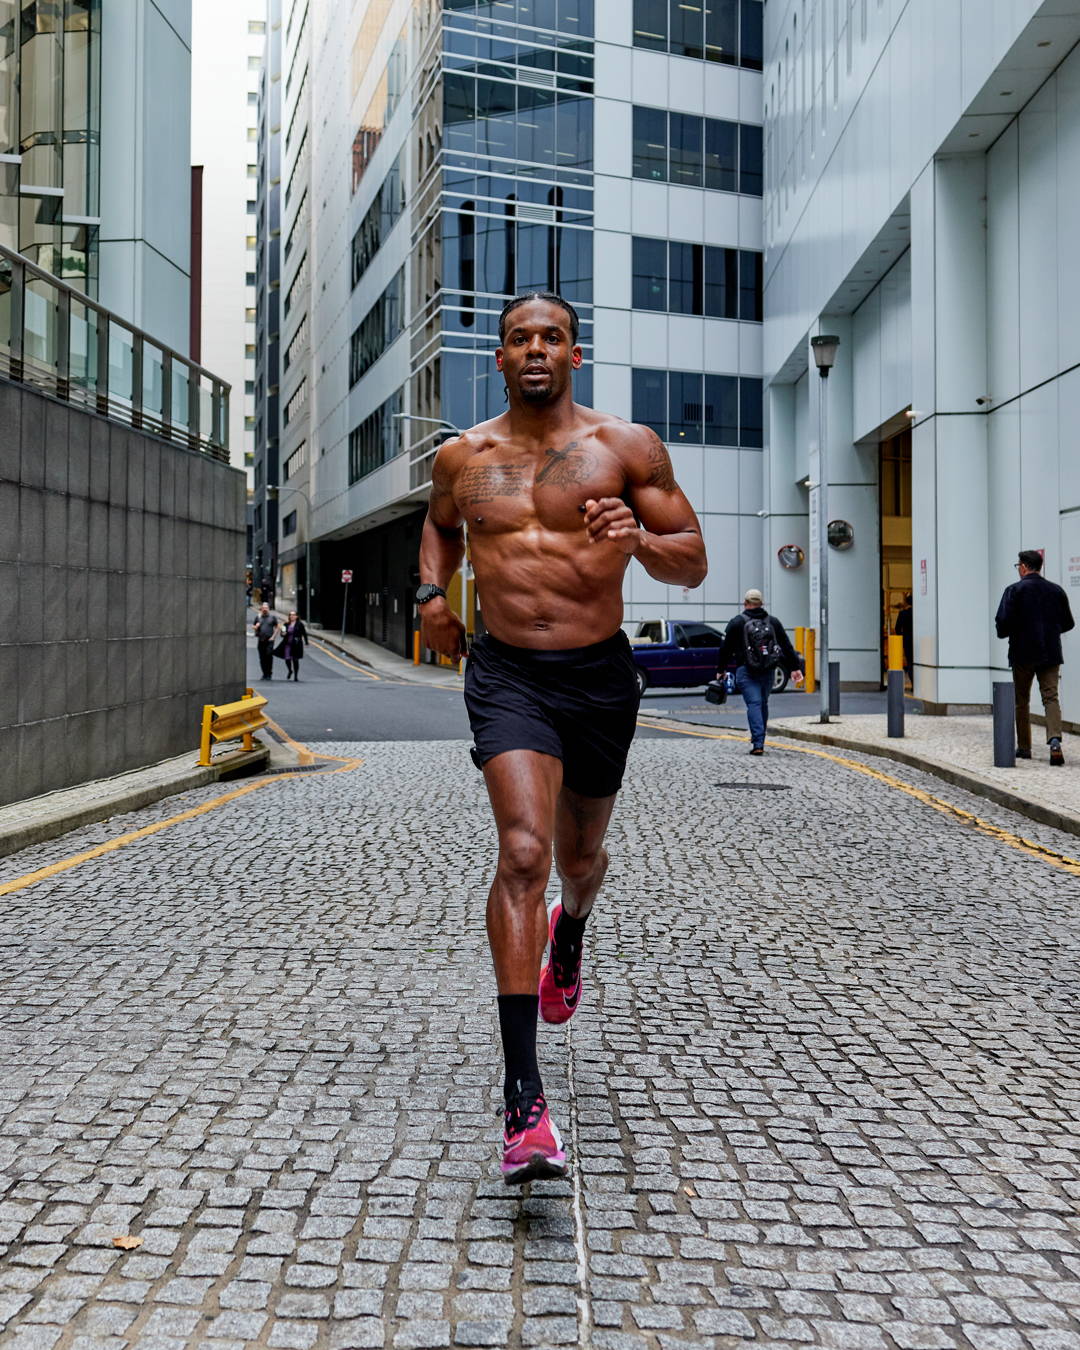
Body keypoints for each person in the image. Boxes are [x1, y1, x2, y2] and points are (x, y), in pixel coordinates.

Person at [417, 292, 706, 1185]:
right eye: (518, 339)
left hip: (596, 678)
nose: (535, 349)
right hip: (508, 675)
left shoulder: (625, 448)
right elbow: (438, 530)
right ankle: (523, 1103)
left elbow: (692, 556)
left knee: (580, 858)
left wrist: (641, 543)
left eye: (551, 337)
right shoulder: (467, 459)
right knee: (523, 852)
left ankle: (571, 929)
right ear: (497, 359)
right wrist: (432, 598)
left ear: (575, 354)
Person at [995, 550, 1074, 765]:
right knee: (1051, 697)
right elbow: (1068, 622)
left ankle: (1024, 747)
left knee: (1022, 701)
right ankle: (1055, 741)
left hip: (1022, 653)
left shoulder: (1014, 591)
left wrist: (1016, 629)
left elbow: (1002, 625)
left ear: (1022, 567)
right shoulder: (1056, 591)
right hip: (1050, 652)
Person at [717, 589, 803, 755]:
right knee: (762, 703)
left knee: (754, 704)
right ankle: (759, 739)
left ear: (745, 603)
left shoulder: (737, 622)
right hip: (768, 670)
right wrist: (795, 667)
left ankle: (758, 742)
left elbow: (725, 649)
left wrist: (720, 670)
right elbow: (785, 645)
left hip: (746, 670)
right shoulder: (773, 622)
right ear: (761, 603)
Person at [276, 610, 308, 681]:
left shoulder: (300, 624)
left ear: (296, 616)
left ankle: (296, 676)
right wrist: (282, 634)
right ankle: (290, 670)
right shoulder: (286, 624)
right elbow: (282, 633)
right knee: (287, 659)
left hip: (296, 644)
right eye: (290, 615)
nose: (292, 616)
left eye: (293, 615)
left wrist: (306, 642)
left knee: (295, 660)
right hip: (287, 644)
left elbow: (304, 633)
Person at [252, 602, 279, 680]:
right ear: (261, 609)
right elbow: (253, 627)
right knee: (262, 657)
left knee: (269, 656)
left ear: (268, 609)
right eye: (263, 608)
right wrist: (256, 627)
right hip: (261, 640)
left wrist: (273, 637)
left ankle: (269, 673)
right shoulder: (258, 617)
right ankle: (264, 673)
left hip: (270, 640)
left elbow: (277, 627)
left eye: (266, 608)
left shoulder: (272, 617)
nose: (264, 609)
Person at [894, 593, 913, 686]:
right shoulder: (918, 613)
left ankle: (914, 683)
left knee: (910, 662)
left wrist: (903, 636)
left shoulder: (902, 614)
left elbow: (897, 628)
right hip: (921, 641)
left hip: (907, 641)